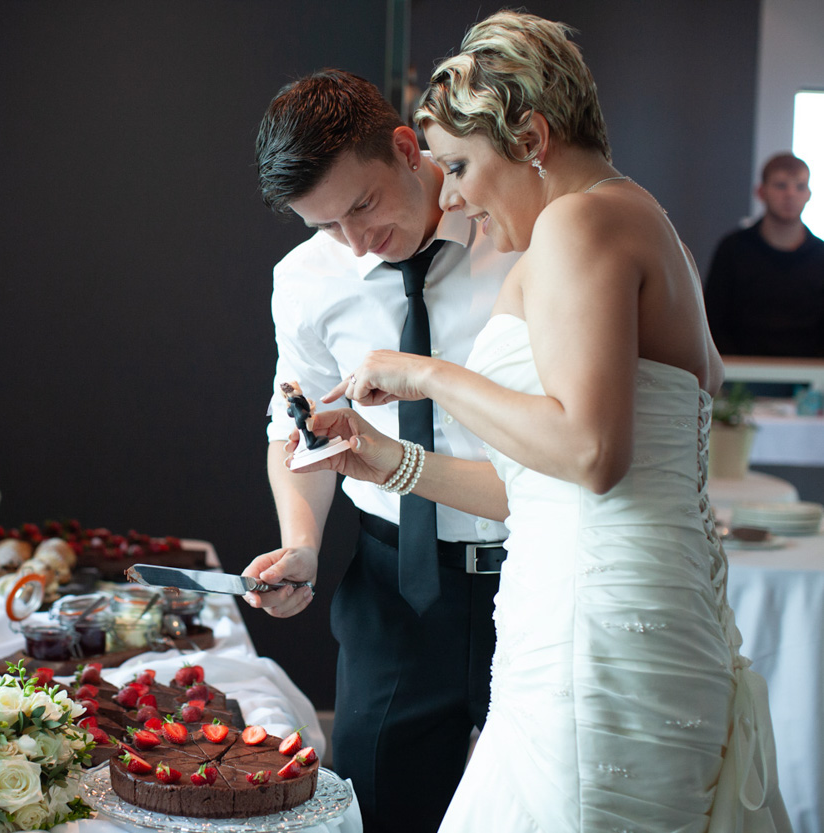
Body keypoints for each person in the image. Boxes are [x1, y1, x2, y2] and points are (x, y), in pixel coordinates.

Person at [289, 11, 792, 831]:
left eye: (458, 165)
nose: (449, 194)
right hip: (618, 605)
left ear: (530, 136)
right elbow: (551, 481)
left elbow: (592, 453)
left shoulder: (578, 221)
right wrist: (392, 464)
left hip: (595, 635)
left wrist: (424, 374)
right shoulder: (638, 217)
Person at [243, 69, 520, 833]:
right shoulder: (304, 280)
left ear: (407, 147)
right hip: (393, 589)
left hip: (535, 576)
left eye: (361, 205)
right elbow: (295, 426)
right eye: (326, 225)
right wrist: (300, 544)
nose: (356, 242)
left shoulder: (518, 232)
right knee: (371, 815)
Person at [705, 153, 824, 357]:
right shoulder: (733, 249)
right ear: (761, 191)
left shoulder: (820, 256)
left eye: (800, 186)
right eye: (780, 185)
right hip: (741, 376)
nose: (790, 194)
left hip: (810, 378)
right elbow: (712, 319)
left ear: (809, 194)